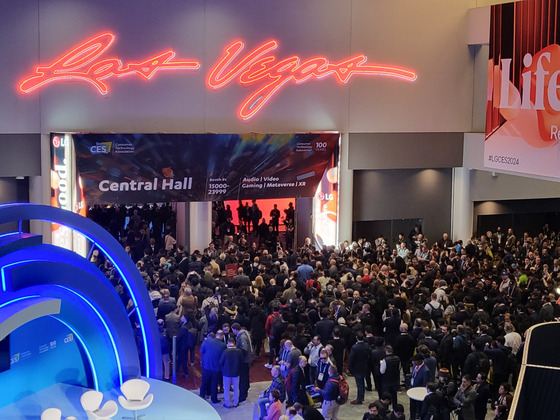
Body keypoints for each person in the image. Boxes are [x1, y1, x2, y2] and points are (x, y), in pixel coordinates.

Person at [199, 332, 226, 404]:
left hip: (206, 366)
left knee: (204, 383)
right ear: (222, 336)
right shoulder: (223, 345)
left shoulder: (206, 342)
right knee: (214, 384)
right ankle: (214, 399)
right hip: (216, 368)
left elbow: (201, 351)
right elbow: (223, 357)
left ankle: (201, 396)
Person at [219, 337, 243, 408]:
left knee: (226, 389)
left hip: (226, 373)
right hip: (236, 372)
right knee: (236, 388)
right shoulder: (239, 351)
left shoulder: (225, 352)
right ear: (234, 343)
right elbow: (242, 362)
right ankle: (236, 403)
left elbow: (221, 361)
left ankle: (227, 404)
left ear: (227, 343)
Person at [232, 322, 253, 403]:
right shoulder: (245, 334)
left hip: (244, 361)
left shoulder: (242, 337)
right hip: (247, 360)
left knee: (243, 379)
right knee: (245, 378)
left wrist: (236, 350)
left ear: (234, 329)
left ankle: (242, 397)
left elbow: (244, 349)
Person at [349, 331, 371, 405]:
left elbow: (351, 358)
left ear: (356, 338)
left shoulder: (355, 347)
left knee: (360, 384)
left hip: (357, 367)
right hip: (365, 366)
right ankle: (361, 397)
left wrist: (350, 367)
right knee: (362, 383)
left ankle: (359, 399)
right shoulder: (367, 345)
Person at [409, 353, 430, 420]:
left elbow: (425, 384)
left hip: (419, 392)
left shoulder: (425, 370)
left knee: (419, 408)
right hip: (412, 390)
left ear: (420, 361)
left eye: (415, 361)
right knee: (412, 406)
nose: (414, 362)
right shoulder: (415, 366)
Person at [380, 344, 401, 409]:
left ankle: (386, 409)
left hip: (387, 381)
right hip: (395, 380)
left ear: (386, 351)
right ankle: (395, 408)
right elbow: (399, 368)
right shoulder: (398, 358)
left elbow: (382, 371)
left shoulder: (385, 360)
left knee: (386, 397)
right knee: (394, 396)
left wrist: (381, 364)